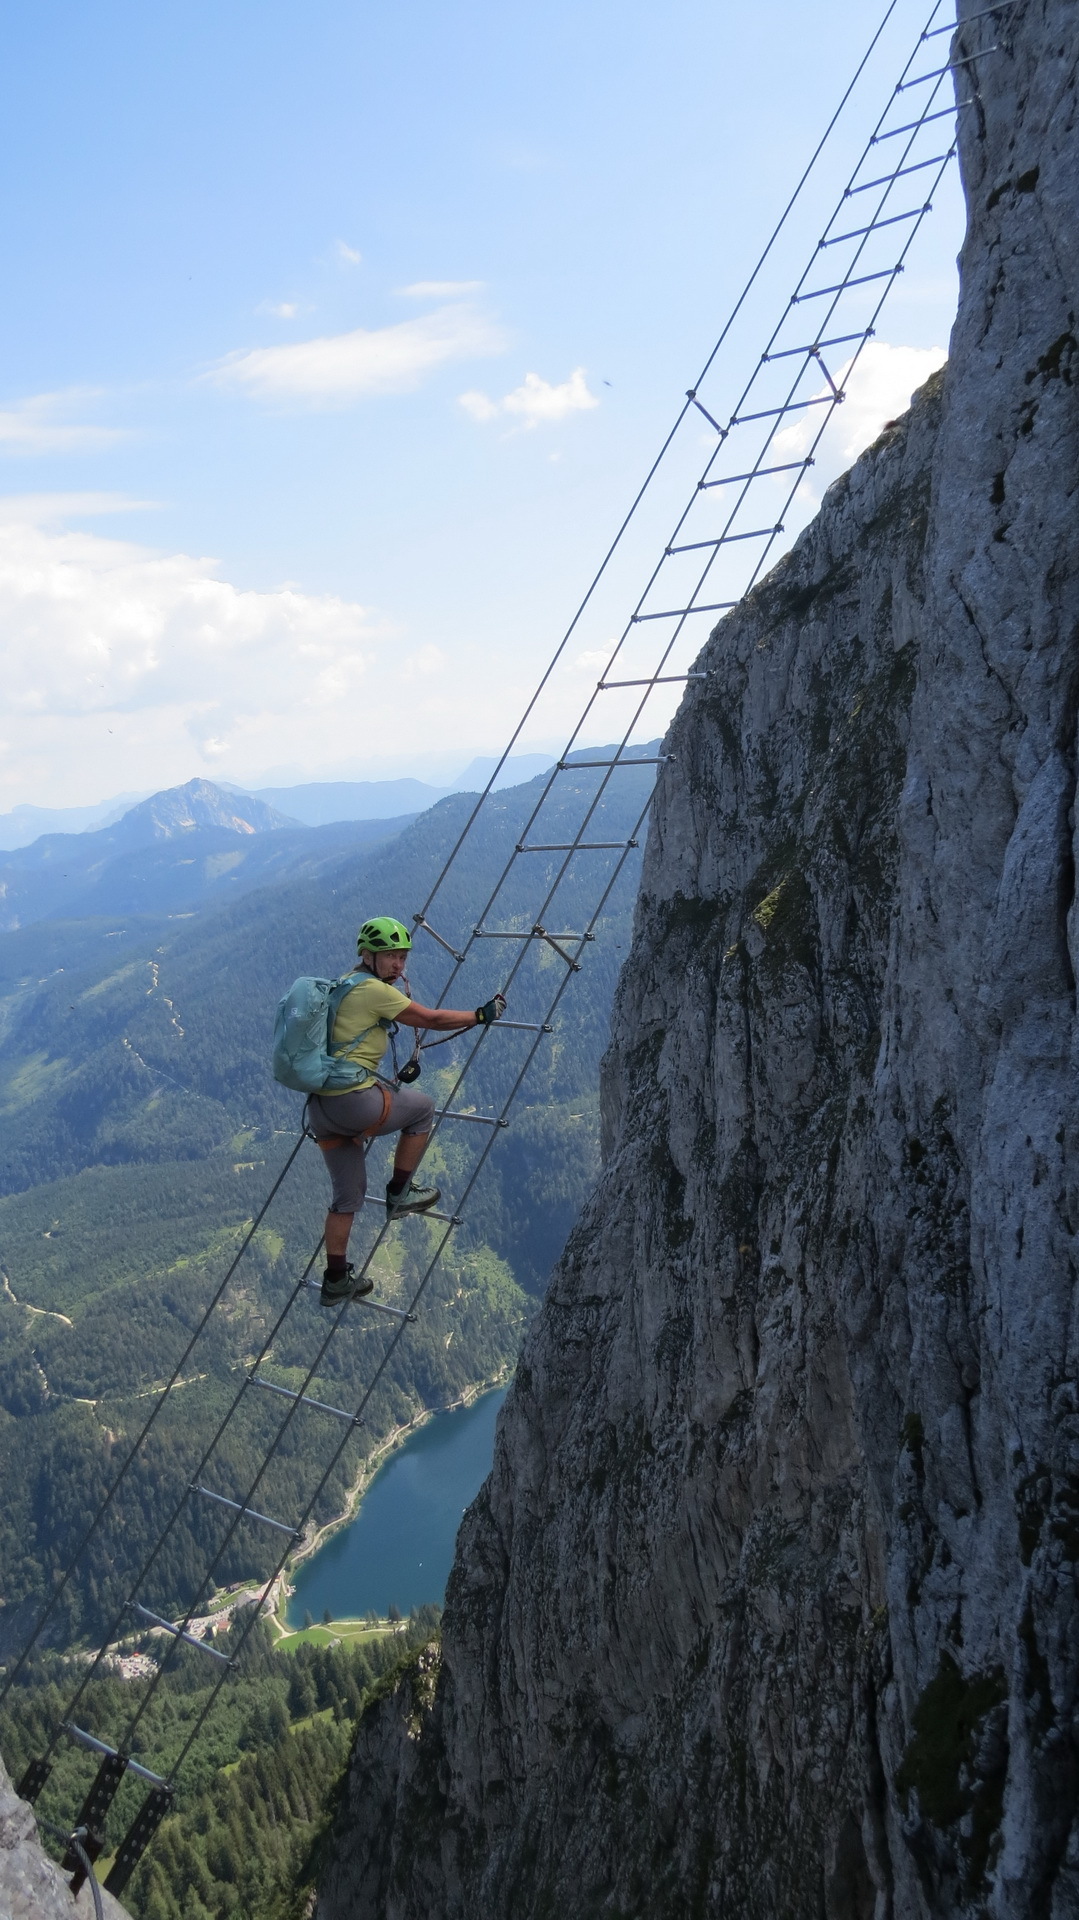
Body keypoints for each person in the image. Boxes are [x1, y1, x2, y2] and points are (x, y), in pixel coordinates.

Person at [306, 916, 506, 1304]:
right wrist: (481, 1015)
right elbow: (429, 1019)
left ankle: (335, 1279)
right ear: (368, 955)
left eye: (402, 957)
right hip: (352, 1103)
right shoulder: (373, 991)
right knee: (422, 1108)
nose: (398, 965)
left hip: (322, 1109)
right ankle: (400, 1192)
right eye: (390, 957)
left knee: (347, 1197)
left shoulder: (343, 986)